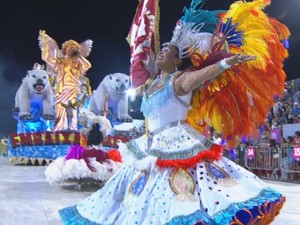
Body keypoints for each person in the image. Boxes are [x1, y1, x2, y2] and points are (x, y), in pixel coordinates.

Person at [59, 0, 288, 224]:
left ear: (177, 60)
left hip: (177, 142)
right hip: (150, 144)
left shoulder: (179, 80)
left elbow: (204, 74)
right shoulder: (152, 85)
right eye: (162, 49)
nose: (161, 52)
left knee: (180, 195)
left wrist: (226, 63)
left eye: (167, 50)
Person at [39, 30, 93, 131]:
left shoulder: (77, 64)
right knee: (60, 109)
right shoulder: (60, 62)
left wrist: (79, 56)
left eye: (75, 48)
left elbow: (88, 65)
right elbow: (46, 57)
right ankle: (58, 129)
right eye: (70, 47)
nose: (73, 49)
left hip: (72, 89)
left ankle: (72, 129)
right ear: (65, 49)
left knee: (72, 110)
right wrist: (46, 43)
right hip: (61, 89)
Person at [45, 121, 121, 187]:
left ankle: (87, 180)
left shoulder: (79, 148)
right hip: (92, 157)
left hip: (89, 157)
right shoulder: (95, 150)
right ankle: (95, 180)